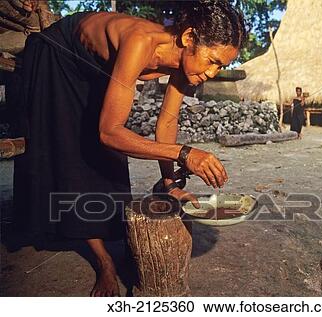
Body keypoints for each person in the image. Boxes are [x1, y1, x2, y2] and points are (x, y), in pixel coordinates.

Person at [13, 0, 247, 296]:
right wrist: (185, 154)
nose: (213, 72)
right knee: (72, 157)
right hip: (57, 54)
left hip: (95, 67)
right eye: (212, 60)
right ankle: (103, 263)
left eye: (221, 66)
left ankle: (104, 237)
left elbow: (166, 125)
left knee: (111, 166)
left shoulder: (184, 64)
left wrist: (170, 182)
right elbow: (109, 133)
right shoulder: (141, 42)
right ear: (189, 38)